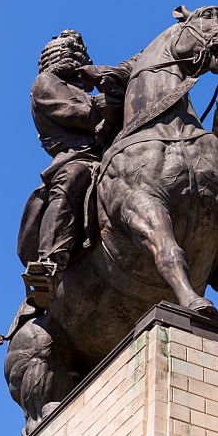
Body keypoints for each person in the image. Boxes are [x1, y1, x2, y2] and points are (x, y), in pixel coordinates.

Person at [18, 30, 132, 309]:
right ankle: (49, 262)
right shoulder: (45, 83)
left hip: (111, 153)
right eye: (73, 52)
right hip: (78, 157)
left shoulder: (83, 91)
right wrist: (108, 104)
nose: (80, 58)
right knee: (73, 179)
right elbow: (78, 114)